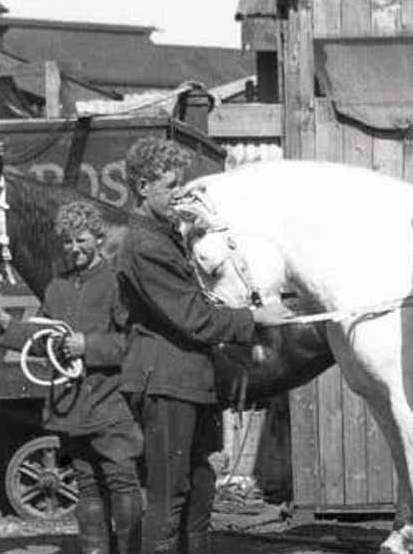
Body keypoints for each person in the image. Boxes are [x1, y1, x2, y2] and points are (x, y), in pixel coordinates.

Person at [116, 136, 292, 554]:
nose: (180, 192)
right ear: (142, 188)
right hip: (165, 382)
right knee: (169, 490)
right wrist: (255, 318)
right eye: (171, 185)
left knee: (200, 487)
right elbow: (193, 316)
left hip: (190, 380)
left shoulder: (165, 235)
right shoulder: (144, 245)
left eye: (182, 183)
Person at [0, 201, 142, 554]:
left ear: (99, 239)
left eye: (82, 240)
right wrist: (5, 322)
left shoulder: (117, 283)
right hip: (71, 406)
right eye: (68, 242)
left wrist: (88, 345)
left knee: (122, 483)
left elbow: (133, 342)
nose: (75, 249)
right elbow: (42, 342)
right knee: (87, 487)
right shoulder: (57, 288)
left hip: (111, 404)